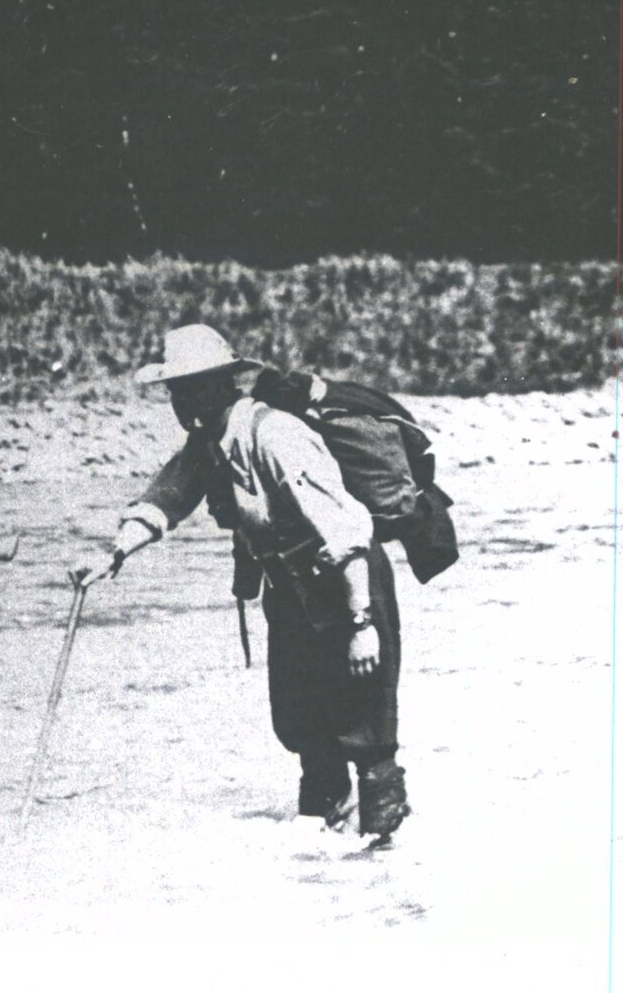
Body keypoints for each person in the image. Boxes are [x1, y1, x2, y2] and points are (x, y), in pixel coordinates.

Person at [83, 325, 411, 846]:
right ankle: (320, 859)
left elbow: (345, 527)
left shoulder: (274, 434)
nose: (185, 402)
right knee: (304, 727)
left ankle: (381, 855)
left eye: (196, 387)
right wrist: (115, 552)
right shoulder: (208, 444)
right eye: (177, 391)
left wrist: (362, 623)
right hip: (291, 593)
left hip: (348, 582)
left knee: (367, 732)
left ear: (226, 383)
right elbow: (166, 499)